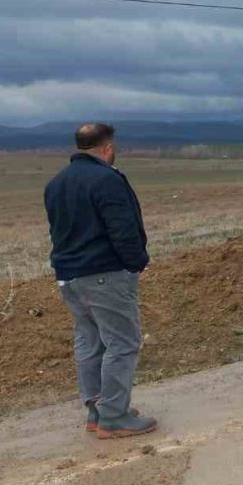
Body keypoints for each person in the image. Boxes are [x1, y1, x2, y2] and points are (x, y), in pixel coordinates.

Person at [44, 123, 157, 439]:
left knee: (90, 343)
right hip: (105, 276)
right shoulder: (107, 179)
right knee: (122, 343)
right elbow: (123, 229)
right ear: (107, 148)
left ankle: (97, 411)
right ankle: (115, 416)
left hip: (69, 278)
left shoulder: (55, 184)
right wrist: (136, 263)